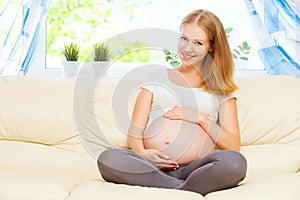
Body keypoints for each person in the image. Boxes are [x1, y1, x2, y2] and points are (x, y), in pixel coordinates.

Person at [97, 9, 247, 195]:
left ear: (212, 47)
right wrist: (144, 153)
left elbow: (233, 146)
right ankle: (184, 189)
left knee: (235, 163)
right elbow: (135, 133)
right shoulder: (156, 77)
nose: (187, 48)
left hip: (197, 168)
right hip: (152, 167)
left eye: (198, 43)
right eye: (184, 38)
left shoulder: (222, 90)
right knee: (108, 158)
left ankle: (174, 186)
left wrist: (200, 118)